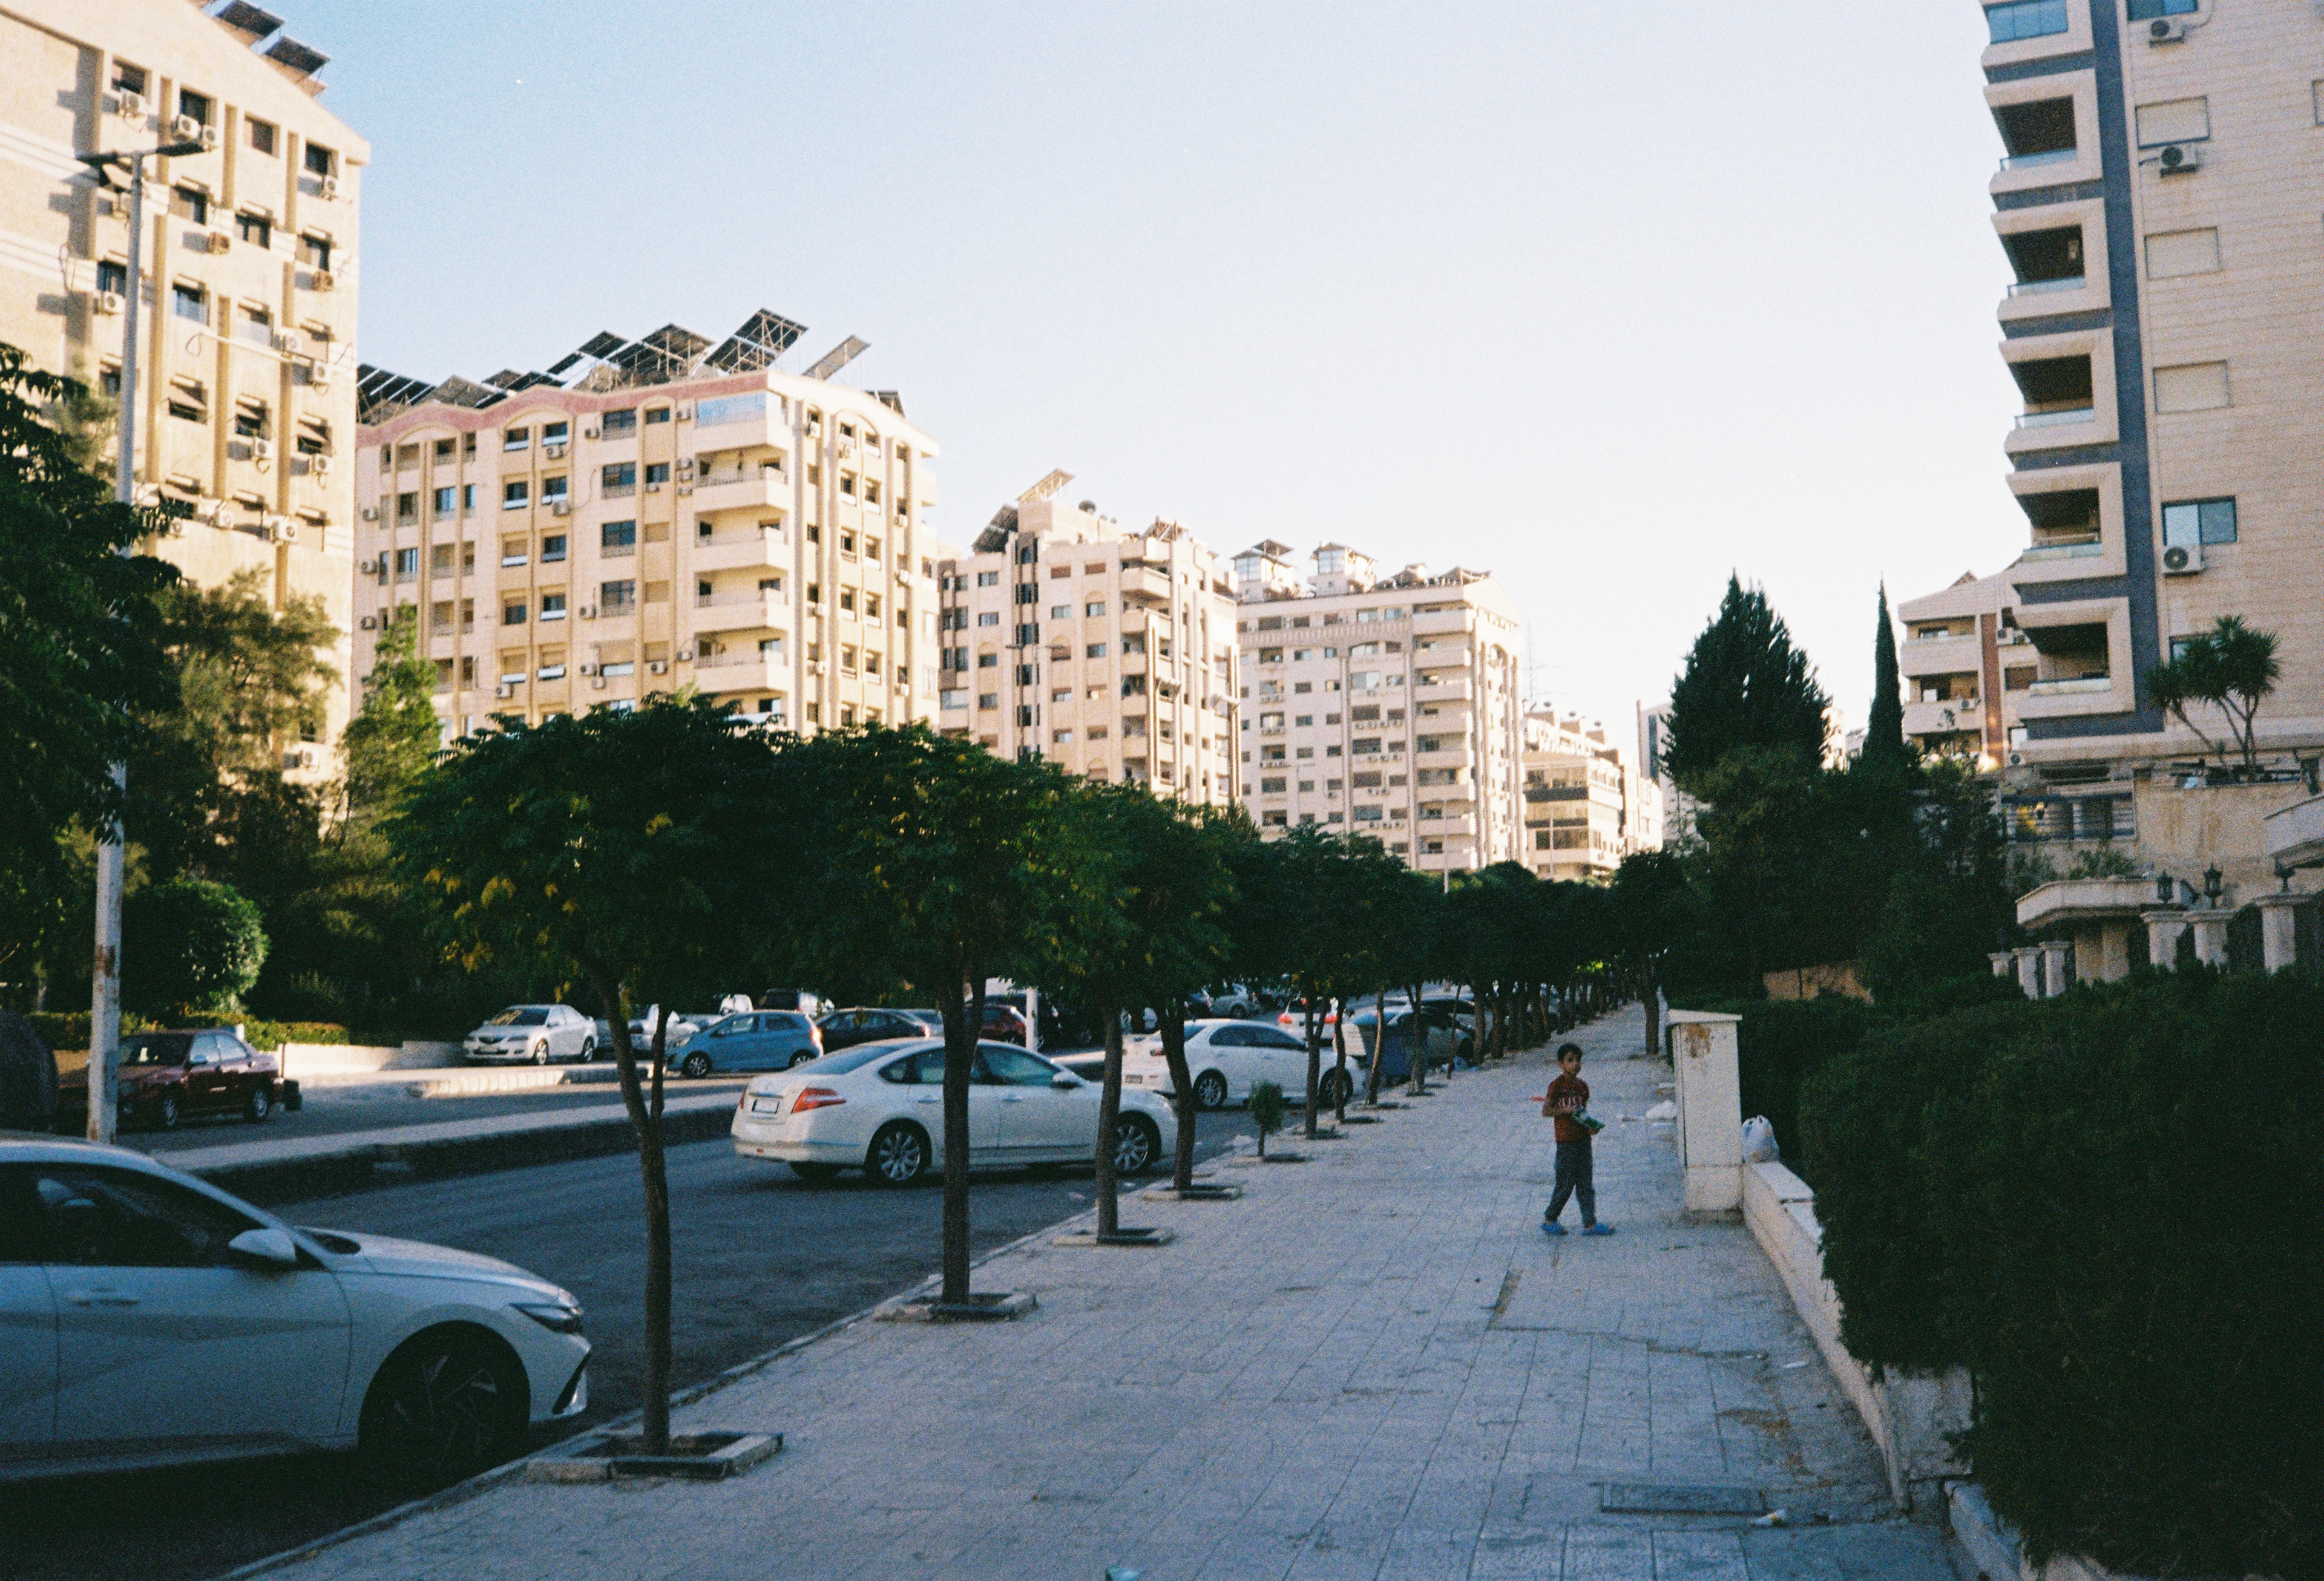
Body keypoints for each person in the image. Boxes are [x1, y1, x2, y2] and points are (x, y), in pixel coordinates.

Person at [1541, 1042, 1612, 1236]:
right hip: (1566, 1142)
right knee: (1565, 1184)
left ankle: (1590, 1223)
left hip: (1583, 1140)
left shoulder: (1582, 1087)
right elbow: (1546, 1111)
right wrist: (1565, 1110)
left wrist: (1590, 1127)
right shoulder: (1556, 1086)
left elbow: (1583, 1113)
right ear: (1561, 1064)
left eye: (1578, 1060)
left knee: (1585, 1184)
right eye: (1570, 1060)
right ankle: (1550, 1219)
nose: (1575, 1064)